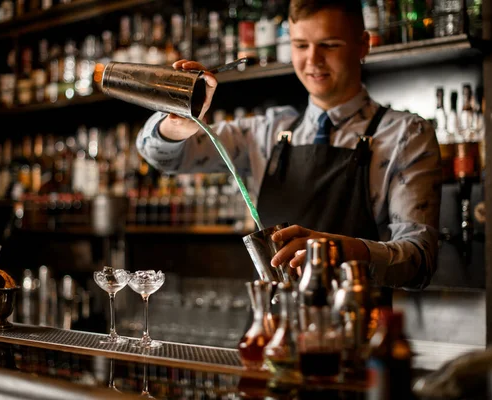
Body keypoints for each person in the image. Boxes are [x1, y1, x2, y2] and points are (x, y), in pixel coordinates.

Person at [136, 0, 442, 297]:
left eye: (330, 44)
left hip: (360, 336)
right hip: (272, 332)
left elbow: (419, 260)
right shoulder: (264, 133)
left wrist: (346, 253)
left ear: (363, 44)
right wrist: (181, 121)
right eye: (300, 45)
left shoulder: (406, 135)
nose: (313, 60)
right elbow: (162, 156)